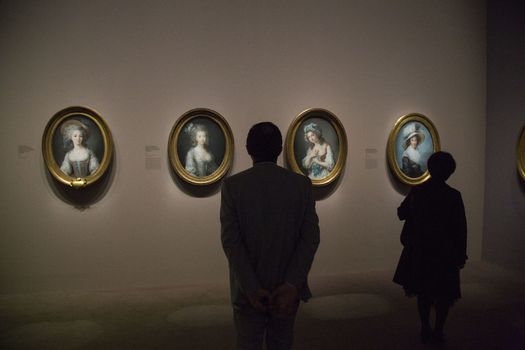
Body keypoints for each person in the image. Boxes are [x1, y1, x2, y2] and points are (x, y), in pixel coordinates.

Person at [221, 122, 320, 350]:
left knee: (247, 343)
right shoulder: (301, 185)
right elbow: (310, 238)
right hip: (286, 290)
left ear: (248, 148)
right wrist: (291, 284)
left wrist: (252, 288)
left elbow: (231, 242)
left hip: (248, 294)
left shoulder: (233, 186)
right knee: (282, 343)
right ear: (280, 149)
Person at [393, 151, 467, 345]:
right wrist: (460, 254)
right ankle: (438, 330)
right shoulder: (453, 195)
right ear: (449, 172)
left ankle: (425, 327)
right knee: (444, 294)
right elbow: (460, 227)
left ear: (430, 168)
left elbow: (401, 213)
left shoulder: (418, 191)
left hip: (422, 249)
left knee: (423, 291)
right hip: (445, 252)